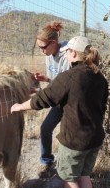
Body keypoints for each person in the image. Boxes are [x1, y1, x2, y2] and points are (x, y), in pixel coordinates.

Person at [11, 36, 109, 188]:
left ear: (74, 53)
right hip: (94, 139)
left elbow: (44, 98)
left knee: (69, 180)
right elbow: (102, 108)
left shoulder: (69, 76)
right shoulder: (100, 78)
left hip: (74, 141)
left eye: (68, 51)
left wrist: (19, 106)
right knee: (84, 175)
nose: (66, 54)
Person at [34, 21, 70, 177]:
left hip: (69, 102)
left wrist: (42, 93)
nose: (41, 51)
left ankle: (66, 168)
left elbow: (65, 85)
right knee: (45, 128)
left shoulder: (67, 56)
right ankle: (47, 163)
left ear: (53, 42)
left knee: (66, 134)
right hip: (57, 100)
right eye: (39, 48)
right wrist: (46, 79)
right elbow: (55, 81)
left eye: (43, 47)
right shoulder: (49, 54)